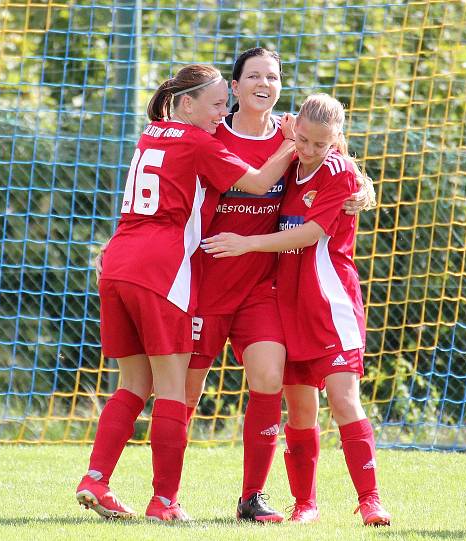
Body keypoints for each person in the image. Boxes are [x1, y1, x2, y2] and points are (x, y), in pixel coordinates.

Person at [75, 63, 296, 522]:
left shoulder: (151, 133)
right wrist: (292, 145)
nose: (223, 113)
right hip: (161, 267)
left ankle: (95, 479)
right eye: (216, 104)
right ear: (185, 103)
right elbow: (257, 183)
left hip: (116, 261)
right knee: (173, 391)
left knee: (133, 385)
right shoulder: (199, 141)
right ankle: (165, 501)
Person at [185, 48, 372, 523]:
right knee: (184, 395)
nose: (263, 82)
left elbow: (331, 163)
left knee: (289, 384)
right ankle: (164, 496)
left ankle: (258, 497)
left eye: (272, 75)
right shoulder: (216, 135)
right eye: (253, 75)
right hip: (215, 286)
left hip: (284, 295)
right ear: (234, 85)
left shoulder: (295, 139)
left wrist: (363, 188)